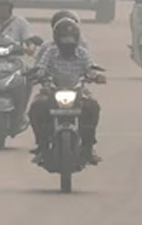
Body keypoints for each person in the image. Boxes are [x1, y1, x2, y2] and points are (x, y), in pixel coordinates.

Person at [28, 17, 105, 164]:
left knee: (92, 107)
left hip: (78, 91)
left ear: (76, 39)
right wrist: (38, 75)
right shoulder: (50, 52)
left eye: (70, 40)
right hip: (51, 90)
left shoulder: (82, 53)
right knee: (36, 107)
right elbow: (42, 67)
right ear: (57, 39)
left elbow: (90, 69)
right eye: (64, 40)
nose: (67, 44)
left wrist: (96, 77)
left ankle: (88, 148)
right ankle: (42, 146)